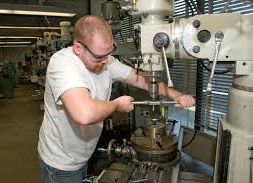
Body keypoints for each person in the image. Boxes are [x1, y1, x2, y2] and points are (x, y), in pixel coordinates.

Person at [37, 15, 195, 183]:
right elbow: (84, 114)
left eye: (109, 53)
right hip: (61, 163)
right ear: (78, 48)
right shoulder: (62, 64)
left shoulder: (106, 61)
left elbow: (140, 79)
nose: (106, 61)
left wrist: (175, 94)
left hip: (83, 154)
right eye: (99, 57)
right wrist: (117, 104)